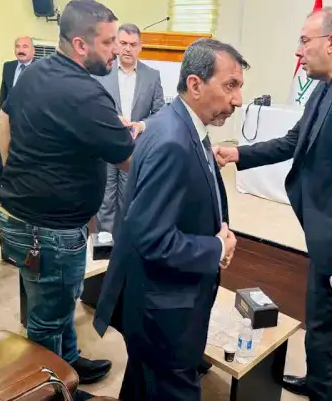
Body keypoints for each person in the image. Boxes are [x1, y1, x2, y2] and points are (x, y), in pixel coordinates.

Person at [214, 7, 332, 401]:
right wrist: (239, 154)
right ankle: (317, 383)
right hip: (325, 234)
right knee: (319, 323)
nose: (298, 51)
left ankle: (326, 390)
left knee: (330, 334)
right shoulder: (328, 85)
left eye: (304, 41)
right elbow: (293, 141)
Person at [0, 0, 134, 399]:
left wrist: (17, 171)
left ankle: (69, 361)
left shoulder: (35, 73)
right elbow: (128, 159)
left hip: (21, 214)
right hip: (49, 230)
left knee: (59, 299)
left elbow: (6, 118)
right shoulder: (85, 93)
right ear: (80, 44)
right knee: (47, 318)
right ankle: (52, 389)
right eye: (108, 42)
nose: (115, 50)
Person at [93, 38, 245, 401]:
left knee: (143, 386)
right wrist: (215, 248)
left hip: (156, 303)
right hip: (163, 315)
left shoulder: (173, 124)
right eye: (230, 86)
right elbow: (152, 238)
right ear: (195, 84)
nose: (238, 100)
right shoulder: (173, 142)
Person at [92, 23, 165, 238]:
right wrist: (111, 119)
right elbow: (92, 107)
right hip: (105, 146)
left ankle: (124, 242)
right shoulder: (101, 72)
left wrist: (141, 125)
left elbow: (160, 113)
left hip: (134, 148)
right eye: (123, 43)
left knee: (129, 198)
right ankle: (104, 242)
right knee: (105, 198)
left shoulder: (152, 76)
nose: (127, 49)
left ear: (140, 47)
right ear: (116, 44)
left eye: (133, 44)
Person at [0, 36, 35, 206]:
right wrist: (0, 115)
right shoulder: (9, 67)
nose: (21, 50)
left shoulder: (40, 68)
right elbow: (4, 91)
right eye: (17, 46)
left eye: (25, 46)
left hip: (29, 121)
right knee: (1, 155)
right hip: (8, 119)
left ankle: (22, 193)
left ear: (33, 50)